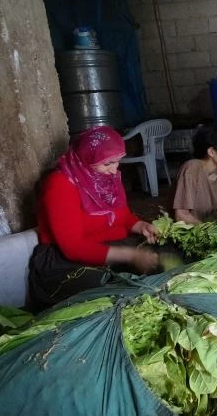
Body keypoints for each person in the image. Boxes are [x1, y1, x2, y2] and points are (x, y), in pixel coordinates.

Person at [28, 126, 161, 311]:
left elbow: (123, 216)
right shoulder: (60, 184)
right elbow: (73, 247)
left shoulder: (106, 179)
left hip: (110, 248)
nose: (114, 170)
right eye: (107, 163)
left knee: (161, 262)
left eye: (117, 161)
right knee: (117, 296)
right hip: (66, 262)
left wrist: (140, 225)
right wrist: (132, 256)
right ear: (86, 158)